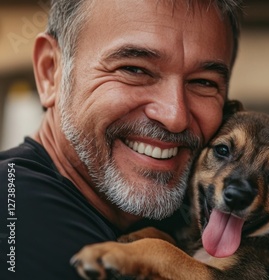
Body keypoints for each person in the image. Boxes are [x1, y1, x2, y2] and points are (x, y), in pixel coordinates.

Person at [0, 0, 242, 278]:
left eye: (204, 82)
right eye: (134, 69)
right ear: (50, 71)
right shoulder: (14, 214)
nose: (175, 116)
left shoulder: (194, 216)